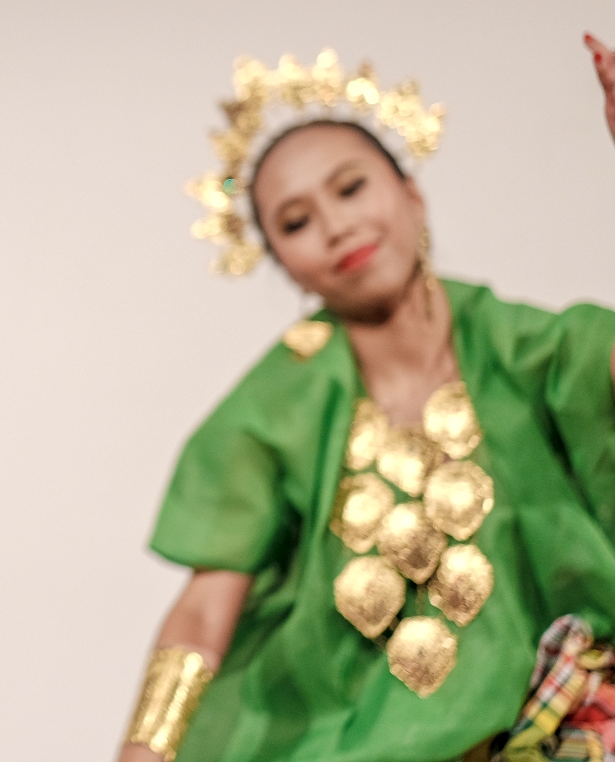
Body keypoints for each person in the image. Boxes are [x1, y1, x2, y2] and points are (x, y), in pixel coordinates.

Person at [118, 48, 615, 762]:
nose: (335, 226)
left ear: (412, 195)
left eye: (350, 188)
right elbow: (203, 610)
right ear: (285, 266)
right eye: (295, 222)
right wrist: (145, 749)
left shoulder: (531, 350)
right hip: (350, 742)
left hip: (568, 719)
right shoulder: (277, 404)